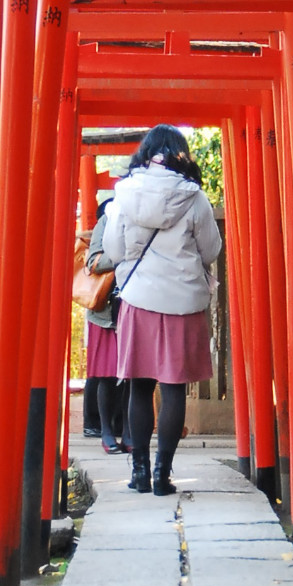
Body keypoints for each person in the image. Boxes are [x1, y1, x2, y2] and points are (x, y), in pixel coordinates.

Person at [103, 124, 222, 496]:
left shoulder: (123, 196)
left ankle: (138, 471)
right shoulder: (194, 198)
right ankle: (161, 474)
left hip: (139, 300)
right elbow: (211, 250)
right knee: (173, 391)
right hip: (182, 304)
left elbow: (116, 251)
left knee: (139, 388)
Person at [82, 192, 128, 454]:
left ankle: (129, 431)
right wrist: (127, 255)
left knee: (136, 374)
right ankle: (104, 431)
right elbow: (94, 261)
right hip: (107, 309)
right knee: (105, 374)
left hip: (140, 303)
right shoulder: (106, 220)